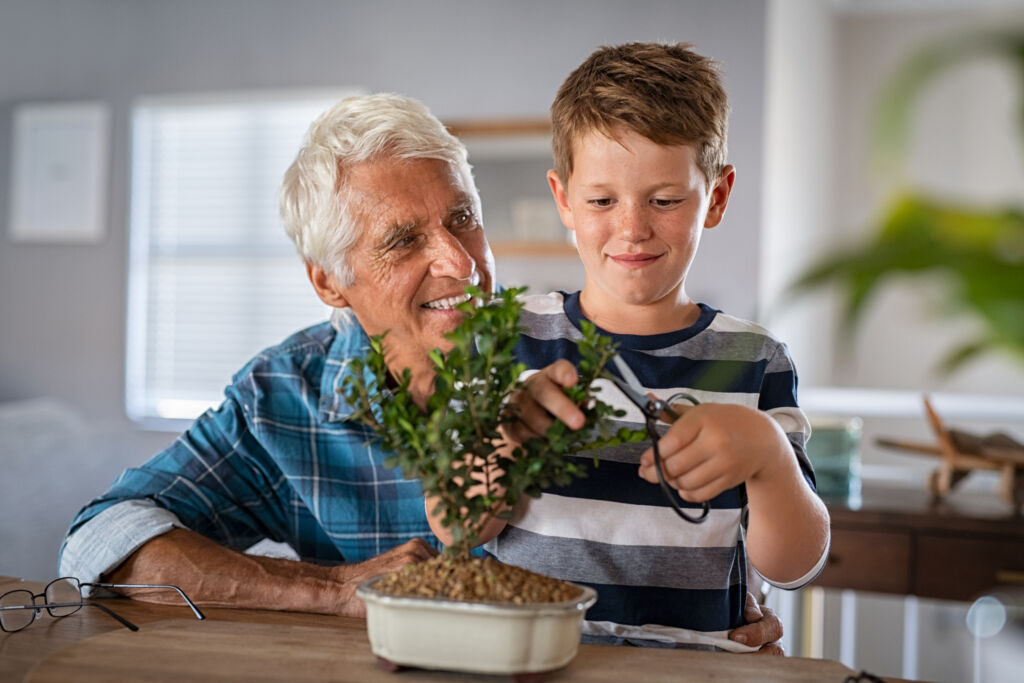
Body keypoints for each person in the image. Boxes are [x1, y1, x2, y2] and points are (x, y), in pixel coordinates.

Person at [59, 92, 783, 650]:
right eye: (403, 240)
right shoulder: (284, 398)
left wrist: (700, 625)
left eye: (463, 217)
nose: (461, 263)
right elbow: (100, 540)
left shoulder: (568, 345)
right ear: (329, 282)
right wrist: (334, 591)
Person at [427, 43, 830, 652]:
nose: (632, 228)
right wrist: (505, 437)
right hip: (533, 662)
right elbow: (455, 526)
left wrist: (770, 459)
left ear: (716, 198)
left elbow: (793, 565)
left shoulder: (754, 359)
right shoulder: (505, 341)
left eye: (665, 200)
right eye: (600, 200)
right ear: (563, 199)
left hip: (696, 670)